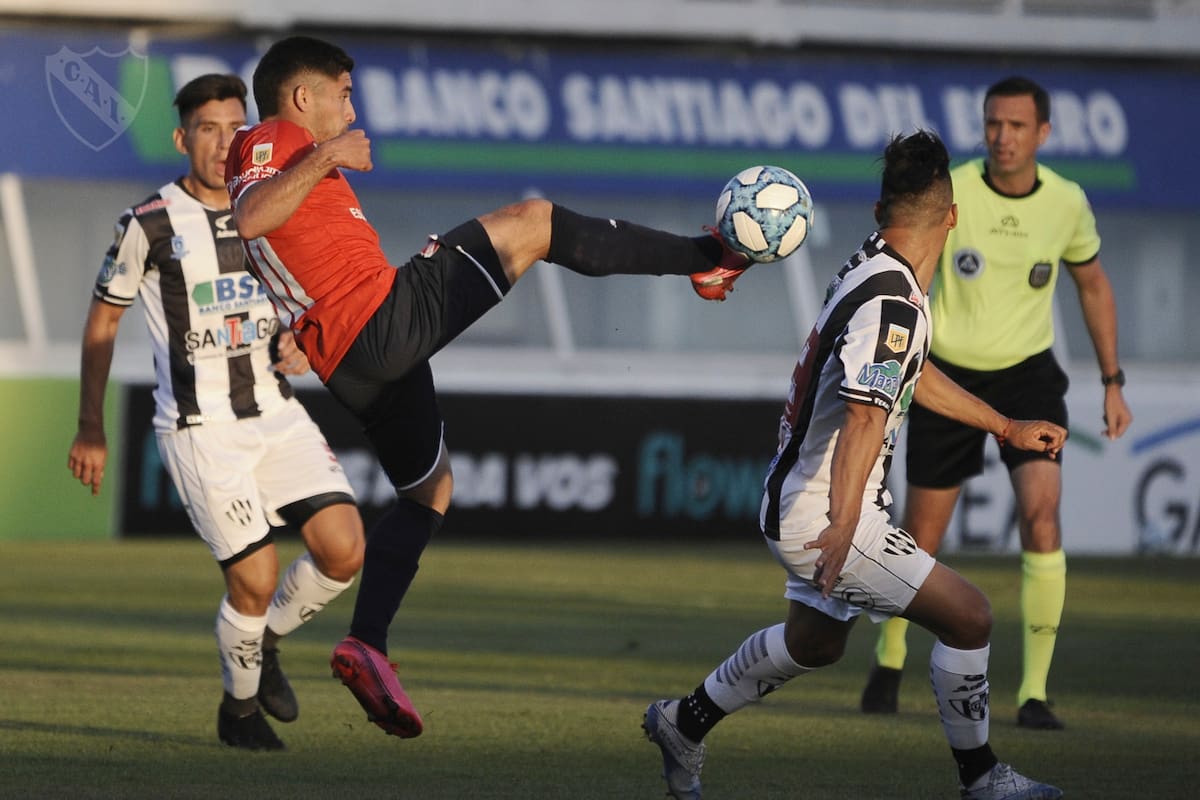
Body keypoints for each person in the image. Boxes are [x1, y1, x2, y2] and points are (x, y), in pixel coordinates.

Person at [224, 35, 750, 739]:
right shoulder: (278, 136)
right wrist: (327, 154)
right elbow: (252, 218)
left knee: (429, 491)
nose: (352, 108)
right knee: (534, 223)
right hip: (378, 321)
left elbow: (273, 243)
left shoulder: (271, 148)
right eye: (342, 92)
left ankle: (368, 643)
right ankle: (706, 258)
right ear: (301, 97)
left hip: (351, 362)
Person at [643, 131, 1067, 800]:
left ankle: (683, 722)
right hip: (826, 513)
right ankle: (983, 778)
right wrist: (845, 526)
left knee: (813, 645)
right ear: (953, 217)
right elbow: (868, 414)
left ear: (879, 214)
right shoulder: (895, 303)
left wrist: (1006, 426)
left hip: (801, 499)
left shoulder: (873, 268)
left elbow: (905, 376)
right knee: (971, 617)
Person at [67, 73, 365, 752]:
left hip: (275, 412)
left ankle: (267, 647)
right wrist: (91, 425)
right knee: (255, 578)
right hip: (202, 431)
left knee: (345, 549)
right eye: (208, 129)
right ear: (182, 138)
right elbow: (101, 323)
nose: (223, 141)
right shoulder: (148, 223)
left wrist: (299, 339)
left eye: (236, 128)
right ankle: (238, 714)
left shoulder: (276, 204)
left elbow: (307, 297)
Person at [859, 76, 1133, 731]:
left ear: (1042, 133)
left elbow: (1093, 286)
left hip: (1030, 378)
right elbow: (911, 265)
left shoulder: (1067, 202)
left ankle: (1034, 692)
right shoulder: (953, 192)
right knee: (923, 534)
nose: (1002, 137)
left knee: (1042, 517)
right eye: (992, 124)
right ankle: (890, 655)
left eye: (1015, 126)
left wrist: (1112, 379)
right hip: (948, 371)